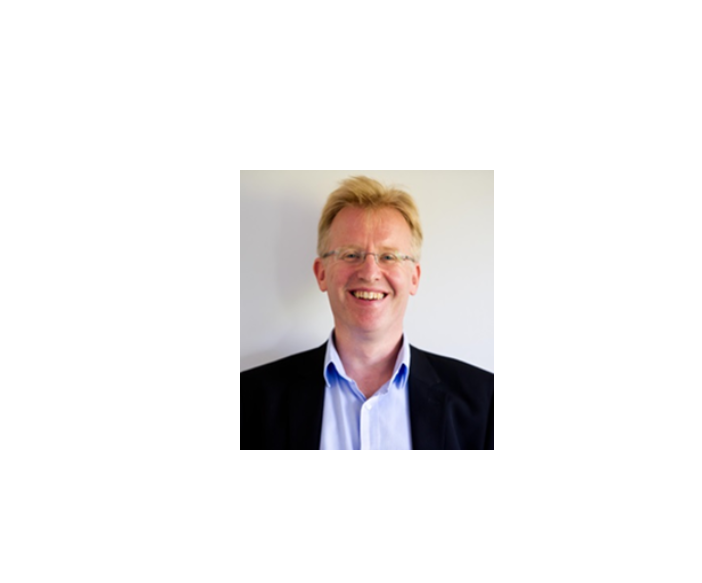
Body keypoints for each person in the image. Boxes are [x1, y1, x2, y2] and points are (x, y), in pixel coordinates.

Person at [240, 176, 493, 450]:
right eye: (351, 254)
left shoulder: (487, 401)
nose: (370, 273)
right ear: (321, 273)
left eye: (389, 256)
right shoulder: (248, 399)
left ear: (414, 278)